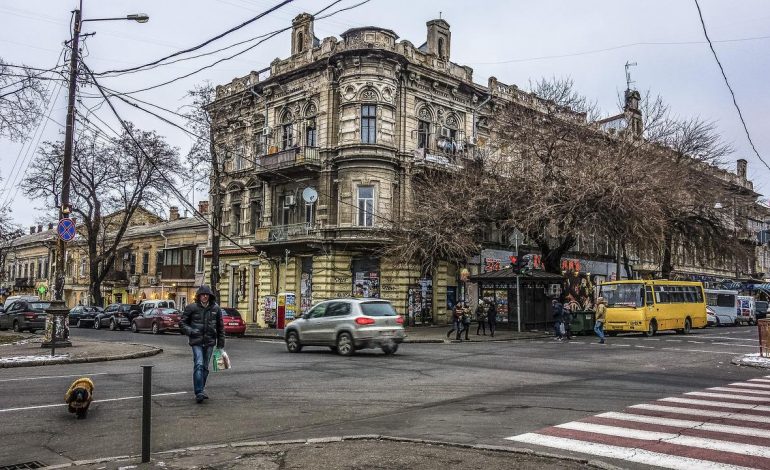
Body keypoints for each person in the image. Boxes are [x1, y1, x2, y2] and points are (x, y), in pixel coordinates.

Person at [180, 285, 225, 403]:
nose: (205, 296)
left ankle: (201, 388)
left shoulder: (216, 309)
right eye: (202, 294)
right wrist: (191, 331)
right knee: (199, 364)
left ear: (210, 296)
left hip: (210, 342)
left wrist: (221, 344)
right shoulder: (191, 308)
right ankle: (199, 392)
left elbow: (220, 327)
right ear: (199, 296)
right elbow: (182, 323)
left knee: (205, 367)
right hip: (197, 341)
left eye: (207, 295)